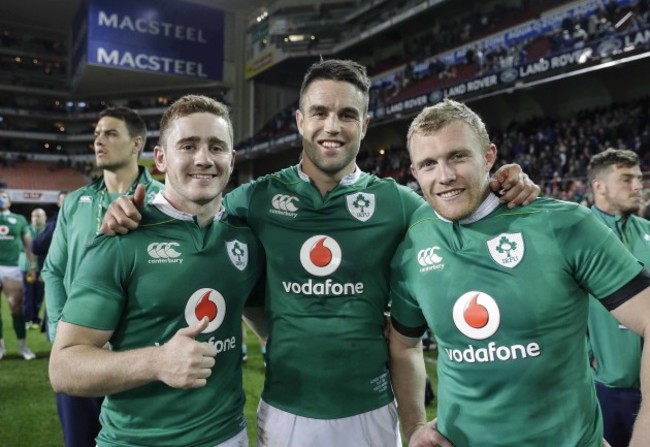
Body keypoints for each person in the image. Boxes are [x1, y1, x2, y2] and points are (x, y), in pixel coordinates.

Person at [101, 59, 539, 447]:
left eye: (348, 114)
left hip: (372, 409)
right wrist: (134, 209)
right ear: (299, 121)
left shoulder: (398, 204)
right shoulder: (255, 199)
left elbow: (462, 213)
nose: (333, 126)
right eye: (320, 113)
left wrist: (501, 186)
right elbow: (192, 208)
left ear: (364, 125)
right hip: (287, 411)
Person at [388, 99, 650, 446]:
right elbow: (404, 345)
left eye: (458, 156)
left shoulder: (562, 224)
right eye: (428, 164)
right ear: (414, 172)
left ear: (489, 156)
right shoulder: (413, 244)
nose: (445, 175)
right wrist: (414, 425)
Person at [49, 95, 264, 447]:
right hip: (138, 440)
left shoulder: (246, 238)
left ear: (232, 159)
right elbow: (64, 368)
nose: (204, 159)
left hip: (230, 436)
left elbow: (264, 319)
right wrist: (157, 362)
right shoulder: (120, 238)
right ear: (161, 158)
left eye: (216, 147)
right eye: (188, 146)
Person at [42, 107, 163, 447]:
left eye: (110, 133)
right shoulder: (75, 202)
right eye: (97, 134)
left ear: (136, 143)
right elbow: (53, 270)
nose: (99, 140)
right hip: (82, 353)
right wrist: (60, 332)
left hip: (137, 356)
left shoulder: (164, 201)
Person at [586, 148, 648, 447]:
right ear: (599, 186)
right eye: (626, 179)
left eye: (638, 178)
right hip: (601, 388)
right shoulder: (575, 233)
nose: (638, 186)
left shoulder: (648, 232)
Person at [0, 189, 37, 360]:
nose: (1, 199)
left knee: (16, 307)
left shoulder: (20, 220)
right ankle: (1, 347)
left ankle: (22, 347)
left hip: (12, 268)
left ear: (10, 201)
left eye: (4, 196)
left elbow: (28, 245)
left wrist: (32, 265)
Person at [31, 191, 67, 337]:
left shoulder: (56, 222)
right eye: (63, 199)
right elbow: (37, 246)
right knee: (57, 307)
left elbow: (36, 246)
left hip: (69, 273)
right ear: (58, 203)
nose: (65, 202)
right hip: (59, 273)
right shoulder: (54, 223)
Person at [20, 207, 46, 329]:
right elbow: (23, 248)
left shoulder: (49, 231)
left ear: (44, 217)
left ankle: (35, 319)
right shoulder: (25, 230)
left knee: (39, 295)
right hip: (27, 268)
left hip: (43, 269)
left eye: (38, 216)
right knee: (28, 294)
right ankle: (27, 320)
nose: (35, 218)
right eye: (33, 216)